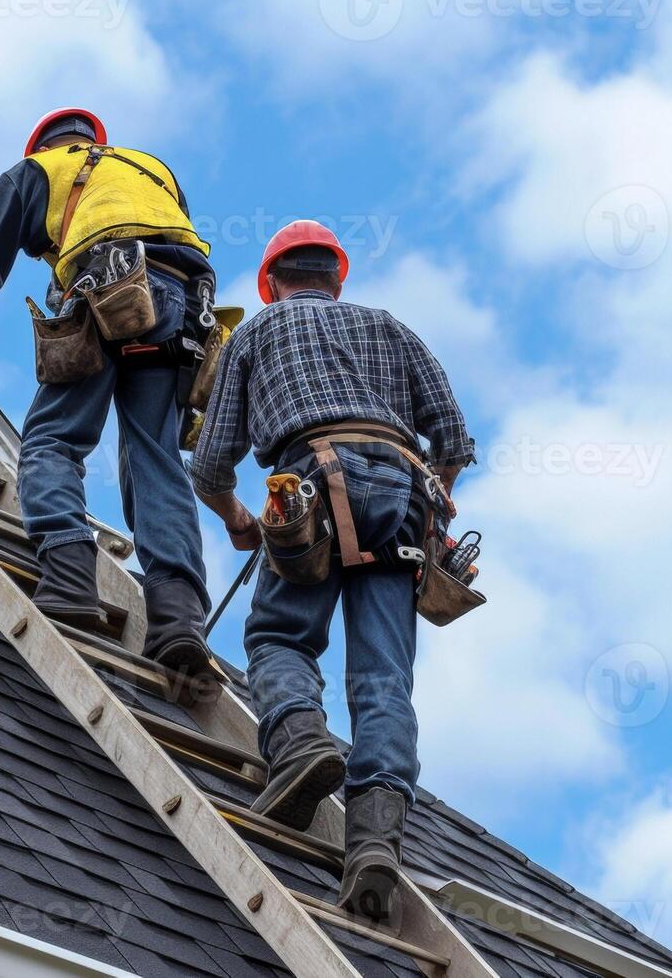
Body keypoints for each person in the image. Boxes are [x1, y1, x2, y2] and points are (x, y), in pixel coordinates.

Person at [189, 220, 476, 921]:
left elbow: (209, 462)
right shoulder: (389, 327)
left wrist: (237, 518)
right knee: (383, 678)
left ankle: (299, 742)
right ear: (336, 277)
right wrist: (432, 505)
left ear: (271, 283)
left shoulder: (255, 334)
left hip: (309, 478)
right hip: (404, 492)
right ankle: (374, 839)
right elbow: (453, 437)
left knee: (280, 637)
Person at [0, 107, 217, 676]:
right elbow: (177, 248)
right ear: (96, 140)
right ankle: (178, 620)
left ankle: (71, 576)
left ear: (41, 146)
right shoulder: (150, 169)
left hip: (106, 286)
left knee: (53, 440)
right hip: (183, 310)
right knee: (156, 458)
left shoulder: (37, 172)